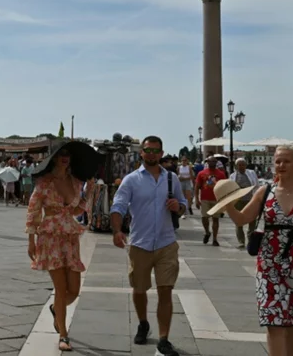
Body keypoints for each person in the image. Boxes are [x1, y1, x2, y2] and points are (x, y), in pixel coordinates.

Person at [221, 146, 293, 356]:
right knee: (273, 320)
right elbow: (242, 219)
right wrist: (227, 203)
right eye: (278, 161)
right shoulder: (264, 191)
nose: (281, 165)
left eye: (286, 161)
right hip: (269, 263)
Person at [110, 136, 187, 356]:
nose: (151, 154)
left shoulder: (171, 179)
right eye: (147, 150)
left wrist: (178, 207)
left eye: (156, 150)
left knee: (165, 290)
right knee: (139, 289)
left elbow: (183, 206)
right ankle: (143, 323)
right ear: (141, 153)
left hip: (166, 242)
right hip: (140, 244)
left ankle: (164, 339)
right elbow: (118, 206)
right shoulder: (131, 180)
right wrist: (117, 231)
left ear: (162, 153)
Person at [26, 145, 95, 352]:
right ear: (54, 158)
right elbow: (33, 210)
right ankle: (63, 334)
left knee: (74, 290)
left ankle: (57, 309)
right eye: (61, 155)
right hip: (50, 237)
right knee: (60, 288)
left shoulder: (75, 182)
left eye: (68, 155)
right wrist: (31, 239)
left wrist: (88, 194)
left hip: (70, 237)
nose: (65, 158)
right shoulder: (44, 183)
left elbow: (74, 209)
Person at [194, 156, 227, 246]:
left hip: (216, 199)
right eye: (210, 161)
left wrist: (224, 200)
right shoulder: (201, 173)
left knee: (215, 219)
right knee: (204, 217)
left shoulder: (221, 174)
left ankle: (215, 239)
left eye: (214, 161)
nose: (212, 162)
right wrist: (197, 199)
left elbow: (224, 187)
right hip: (205, 198)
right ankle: (207, 232)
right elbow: (197, 187)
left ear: (216, 162)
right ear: (207, 162)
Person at [229, 158, 259, 249]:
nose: (241, 166)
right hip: (238, 201)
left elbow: (256, 185)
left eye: (243, 164)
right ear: (236, 166)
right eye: (239, 165)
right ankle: (241, 241)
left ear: (245, 165)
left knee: (252, 221)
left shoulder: (251, 173)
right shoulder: (232, 176)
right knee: (238, 222)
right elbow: (230, 188)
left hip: (250, 200)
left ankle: (250, 239)